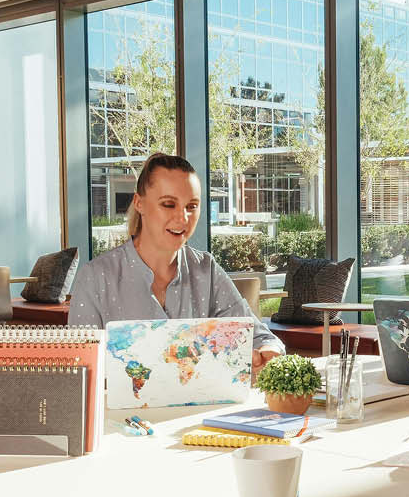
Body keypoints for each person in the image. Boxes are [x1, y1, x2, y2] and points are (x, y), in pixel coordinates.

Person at [70, 153, 284, 369]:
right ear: (139, 203)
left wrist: (268, 353)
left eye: (191, 206)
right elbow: (80, 372)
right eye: (169, 204)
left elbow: (259, 338)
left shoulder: (206, 270)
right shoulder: (95, 277)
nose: (183, 218)